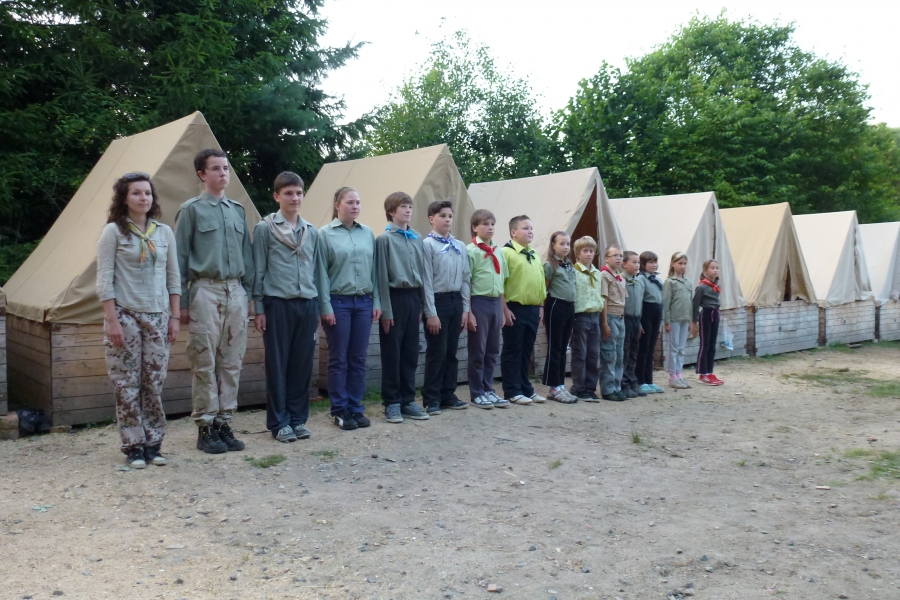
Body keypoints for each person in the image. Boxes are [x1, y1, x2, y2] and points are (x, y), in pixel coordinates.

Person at [97, 172, 181, 468]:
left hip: (158, 315)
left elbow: (173, 277)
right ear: (124, 198)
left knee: (153, 382)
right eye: (136, 193)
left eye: (147, 193)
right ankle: (133, 445)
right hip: (126, 314)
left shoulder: (164, 232)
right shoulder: (113, 232)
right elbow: (104, 280)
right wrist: (112, 321)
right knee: (127, 383)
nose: (143, 198)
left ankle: (154, 443)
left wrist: (174, 316)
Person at [175, 149, 253, 454]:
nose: (223, 173)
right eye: (216, 168)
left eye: (226, 168)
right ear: (202, 174)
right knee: (204, 360)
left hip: (235, 290)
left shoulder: (237, 210)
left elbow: (247, 257)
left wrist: (250, 297)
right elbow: (179, 259)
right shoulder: (191, 210)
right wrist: (182, 303)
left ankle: (224, 421)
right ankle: (205, 426)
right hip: (205, 290)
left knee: (232, 360)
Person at [252, 172, 320, 443]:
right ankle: (279, 422)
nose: (295, 198)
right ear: (276, 196)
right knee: (278, 365)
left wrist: (319, 305)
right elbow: (258, 269)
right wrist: (259, 308)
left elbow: (316, 270)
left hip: (307, 303)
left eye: (299, 193)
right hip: (277, 303)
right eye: (288, 193)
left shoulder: (311, 230)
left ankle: (297, 418)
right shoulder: (265, 228)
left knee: (302, 365)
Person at [316, 187, 382, 430]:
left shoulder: (367, 233)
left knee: (358, 358)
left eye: (358, 202)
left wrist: (376, 301)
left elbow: (374, 270)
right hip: (338, 302)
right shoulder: (324, 234)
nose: (355, 206)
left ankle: (355, 407)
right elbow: (320, 273)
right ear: (337, 205)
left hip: (364, 302)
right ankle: (340, 410)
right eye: (350, 202)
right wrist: (325, 306)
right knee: (339, 358)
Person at [376, 192, 430, 423]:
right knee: (392, 353)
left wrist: (421, 306)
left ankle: (408, 400)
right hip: (394, 297)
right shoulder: (384, 239)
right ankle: (392, 402)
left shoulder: (417, 238)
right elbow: (380, 277)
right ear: (391, 211)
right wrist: (386, 310)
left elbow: (423, 273)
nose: (408, 210)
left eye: (410, 206)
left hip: (412, 297)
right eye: (403, 207)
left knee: (410, 352)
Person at [422, 199, 471, 414]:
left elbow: (466, 278)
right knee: (437, 351)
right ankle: (431, 397)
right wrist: (430, 312)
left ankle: (448, 394)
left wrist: (465, 308)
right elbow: (426, 280)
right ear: (432, 219)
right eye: (442, 216)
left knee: (452, 351)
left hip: (455, 300)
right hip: (437, 300)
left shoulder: (460, 246)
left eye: (450, 216)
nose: (447, 219)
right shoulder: (427, 245)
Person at [500, 215, 547, 405]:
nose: (530, 232)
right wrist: (504, 309)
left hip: (533, 309)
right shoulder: (506, 253)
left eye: (531, 228)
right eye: (525, 228)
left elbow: (540, 282)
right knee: (513, 350)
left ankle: (525, 388)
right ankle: (512, 390)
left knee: (527, 350)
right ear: (513, 232)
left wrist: (541, 305)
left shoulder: (534, 253)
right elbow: (500, 282)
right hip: (514, 308)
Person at [466, 209, 510, 409]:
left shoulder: (499, 251)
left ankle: (488, 388)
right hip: (479, 302)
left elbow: (502, 282)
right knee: (478, 350)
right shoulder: (470, 251)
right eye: (485, 224)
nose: (490, 227)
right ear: (475, 227)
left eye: (492, 224)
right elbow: (466, 283)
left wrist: (503, 309)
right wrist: (469, 311)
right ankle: (477, 392)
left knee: (492, 350)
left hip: (495, 303)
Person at [542, 231, 577, 403]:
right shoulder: (550, 265)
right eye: (562, 243)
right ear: (553, 245)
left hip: (570, 306)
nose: (565, 247)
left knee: (564, 347)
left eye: (568, 244)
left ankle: (561, 385)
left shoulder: (569, 265)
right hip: (556, 305)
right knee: (555, 347)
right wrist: (543, 309)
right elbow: (545, 288)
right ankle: (553, 387)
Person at [569, 236, 604, 401]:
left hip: (595, 316)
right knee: (580, 353)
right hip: (580, 316)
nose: (589, 254)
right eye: (585, 251)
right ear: (577, 253)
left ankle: (590, 387)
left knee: (593, 354)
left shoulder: (597, 273)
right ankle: (578, 387)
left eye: (591, 251)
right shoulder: (574, 272)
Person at [599, 245, 627, 401]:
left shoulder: (620, 277)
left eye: (621, 256)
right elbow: (603, 300)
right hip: (610, 317)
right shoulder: (605, 275)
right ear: (606, 258)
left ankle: (617, 387)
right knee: (609, 354)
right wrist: (604, 323)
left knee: (619, 355)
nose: (618, 258)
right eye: (615, 255)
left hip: (620, 318)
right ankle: (608, 389)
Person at [663, 252, 694, 389]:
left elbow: (690, 302)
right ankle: (672, 375)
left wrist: (690, 320)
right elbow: (666, 303)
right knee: (673, 347)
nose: (682, 266)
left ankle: (679, 373)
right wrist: (666, 321)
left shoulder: (688, 282)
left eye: (684, 264)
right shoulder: (670, 282)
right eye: (680, 263)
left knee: (681, 348)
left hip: (684, 319)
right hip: (674, 319)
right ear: (672, 264)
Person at [635, 251, 665, 395]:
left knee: (651, 349)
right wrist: (639, 322)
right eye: (651, 262)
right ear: (643, 264)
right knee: (644, 348)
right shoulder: (641, 278)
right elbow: (639, 300)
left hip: (656, 314)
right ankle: (640, 381)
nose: (654, 265)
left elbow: (661, 299)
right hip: (646, 313)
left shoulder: (657, 279)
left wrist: (661, 321)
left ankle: (649, 380)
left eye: (655, 262)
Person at [694, 259, 724, 386]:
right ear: (705, 270)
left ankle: (709, 371)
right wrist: (694, 321)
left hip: (715, 314)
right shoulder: (701, 287)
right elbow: (695, 304)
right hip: (706, 314)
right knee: (705, 345)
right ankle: (703, 373)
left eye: (717, 268)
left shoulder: (716, 286)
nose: (715, 270)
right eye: (712, 268)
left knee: (712, 345)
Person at [621, 251, 647, 398]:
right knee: (625, 352)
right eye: (634, 262)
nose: (637, 265)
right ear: (624, 264)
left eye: (638, 262)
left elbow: (639, 303)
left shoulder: (639, 281)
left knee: (633, 352)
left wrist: (640, 322)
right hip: (625, 319)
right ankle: (623, 384)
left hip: (636, 320)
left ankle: (632, 383)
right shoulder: (621, 281)